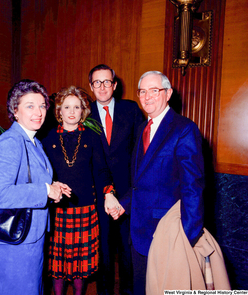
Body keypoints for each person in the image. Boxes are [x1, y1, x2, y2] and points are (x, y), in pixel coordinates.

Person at [112, 71, 205, 295]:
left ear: (168, 93)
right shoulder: (144, 127)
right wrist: (123, 203)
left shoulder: (184, 129)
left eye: (154, 90)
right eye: (142, 91)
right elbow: (140, 181)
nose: (147, 96)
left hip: (167, 232)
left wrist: (187, 237)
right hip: (138, 231)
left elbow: (193, 188)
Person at [0, 79, 71, 295]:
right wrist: (44, 190)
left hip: (29, 235)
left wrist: (52, 187)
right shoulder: (10, 141)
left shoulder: (33, 140)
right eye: (30, 106)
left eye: (42, 105)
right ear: (15, 110)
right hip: (13, 243)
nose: (39, 112)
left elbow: (28, 179)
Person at [42, 85, 121, 295]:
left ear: (83, 111)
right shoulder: (47, 138)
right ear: (59, 111)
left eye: (76, 107)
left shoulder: (92, 136)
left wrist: (109, 192)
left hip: (85, 209)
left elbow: (102, 169)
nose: (71, 111)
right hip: (57, 210)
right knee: (58, 265)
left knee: (80, 268)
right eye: (66, 107)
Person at [88, 64, 145, 295]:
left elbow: (141, 149)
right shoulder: (83, 112)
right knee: (103, 251)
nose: (102, 87)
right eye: (97, 82)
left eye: (107, 82)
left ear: (115, 84)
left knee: (127, 250)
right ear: (91, 86)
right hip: (96, 193)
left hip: (127, 192)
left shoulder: (130, 109)